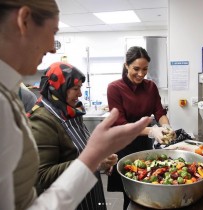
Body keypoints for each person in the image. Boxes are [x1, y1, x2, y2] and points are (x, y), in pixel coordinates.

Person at [0, 1, 151, 210]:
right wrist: (93, 158)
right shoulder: (33, 115)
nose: (53, 47)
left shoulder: (10, 96)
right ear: (24, 21)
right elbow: (40, 181)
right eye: (53, 32)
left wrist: (96, 158)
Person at [28, 61, 118, 210]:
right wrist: (92, 162)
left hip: (89, 190)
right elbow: (42, 176)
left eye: (80, 88)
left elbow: (82, 149)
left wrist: (103, 158)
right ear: (58, 88)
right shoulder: (42, 119)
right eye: (75, 88)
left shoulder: (70, 110)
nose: (80, 94)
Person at [107, 46, 174, 210]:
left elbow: (159, 111)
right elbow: (120, 124)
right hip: (124, 146)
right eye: (136, 69)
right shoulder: (115, 88)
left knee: (149, 185)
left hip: (145, 145)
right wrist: (152, 131)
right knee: (131, 195)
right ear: (126, 65)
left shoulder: (150, 87)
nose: (141, 73)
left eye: (145, 69)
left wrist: (165, 126)